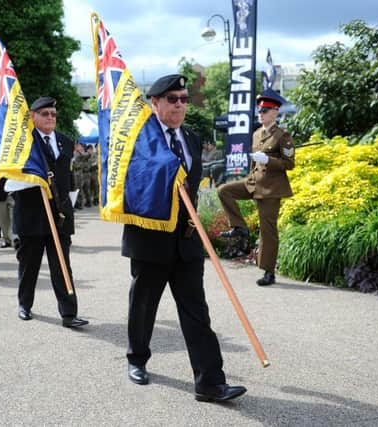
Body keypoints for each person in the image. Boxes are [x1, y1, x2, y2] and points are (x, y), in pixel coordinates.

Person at [122, 74, 246, 402]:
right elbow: (131, 180)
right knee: (144, 304)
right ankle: (137, 359)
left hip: (187, 239)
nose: (179, 104)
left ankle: (210, 382)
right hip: (150, 237)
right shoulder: (139, 138)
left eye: (184, 99)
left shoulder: (190, 137)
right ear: (155, 102)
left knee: (195, 311)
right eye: (172, 98)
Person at [11, 96, 88, 328]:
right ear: (32, 117)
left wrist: (70, 201)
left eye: (53, 114)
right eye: (44, 114)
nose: (50, 117)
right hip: (31, 214)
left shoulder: (64, 141)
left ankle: (69, 313)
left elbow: (69, 176)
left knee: (62, 265)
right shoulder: (22, 143)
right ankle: (24, 304)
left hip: (59, 215)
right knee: (29, 266)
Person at [217, 91, 295, 286]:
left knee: (267, 231)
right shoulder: (256, 134)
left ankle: (268, 272)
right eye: (260, 110)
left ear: (275, 112)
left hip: (271, 189)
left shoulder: (282, 135)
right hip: (253, 182)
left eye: (265, 110)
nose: (261, 113)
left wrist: (269, 160)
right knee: (224, 190)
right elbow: (254, 164)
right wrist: (252, 171)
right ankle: (239, 226)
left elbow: (289, 164)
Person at [0, 178, 15, 248]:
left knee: (14, 218)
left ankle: (15, 239)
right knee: (3, 220)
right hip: (0, 193)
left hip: (13, 192)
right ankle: (7, 240)